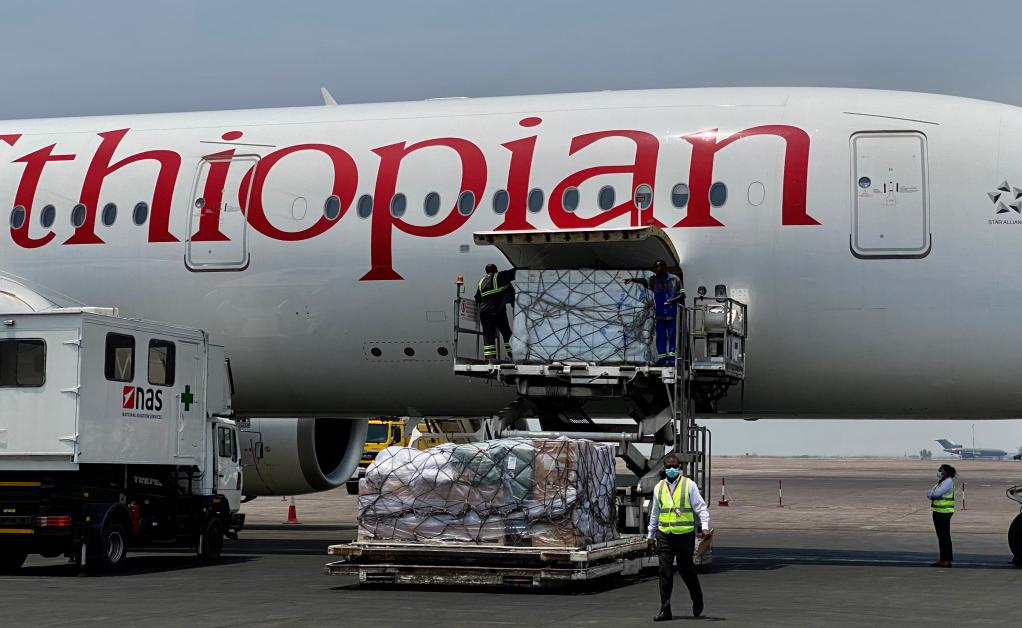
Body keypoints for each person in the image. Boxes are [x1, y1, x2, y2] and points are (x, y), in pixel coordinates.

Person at [647, 453, 712, 621]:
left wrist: (705, 527)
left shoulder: (689, 485)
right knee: (665, 571)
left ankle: (697, 597)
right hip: (664, 535)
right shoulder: (659, 487)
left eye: (674, 466)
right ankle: (665, 609)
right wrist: (651, 535)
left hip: (684, 535)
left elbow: (701, 507)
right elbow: (655, 512)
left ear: (679, 468)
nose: (671, 469)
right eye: (668, 467)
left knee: (686, 569)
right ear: (664, 468)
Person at [625, 260, 684, 365]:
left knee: (672, 337)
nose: (656, 270)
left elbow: (682, 295)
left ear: (665, 268)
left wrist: (672, 300)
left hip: (672, 315)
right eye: (655, 268)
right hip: (660, 316)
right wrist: (633, 280)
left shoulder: (675, 279)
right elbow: (644, 281)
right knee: (660, 338)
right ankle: (662, 359)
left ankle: (671, 360)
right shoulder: (654, 280)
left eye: (658, 268)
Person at [474, 263, 516, 363]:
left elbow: (477, 298)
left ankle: (490, 358)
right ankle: (513, 354)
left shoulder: (481, 282)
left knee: (489, 335)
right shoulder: (499, 276)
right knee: (506, 333)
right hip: (498, 311)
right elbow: (514, 273)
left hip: (485, 313)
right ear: (496, 270)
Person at [928, 463, 957, 567]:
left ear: (946, 472)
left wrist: (931, 493)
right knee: (941, 536)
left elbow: (935, 493)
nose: (939, 472)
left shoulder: (948, 482)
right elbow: (931, 493)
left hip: (944, 512)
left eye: (941, 470)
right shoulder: (941, 482)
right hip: (938, 511)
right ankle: (943, 559)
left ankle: (947, 560)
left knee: (944, 536)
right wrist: (931, 493)